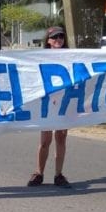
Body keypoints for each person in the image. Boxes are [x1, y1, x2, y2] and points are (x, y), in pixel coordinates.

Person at [27, 26, 72, 188]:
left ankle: (58, 174)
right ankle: (38, 173)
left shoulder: (70, 57)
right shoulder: (41, 57)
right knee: (45, 140)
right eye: (54, 37)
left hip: (64, 102)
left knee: (61, 137)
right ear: (48, 40)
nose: (58, 39)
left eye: (61, 36)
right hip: (46, 102)